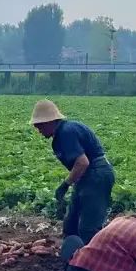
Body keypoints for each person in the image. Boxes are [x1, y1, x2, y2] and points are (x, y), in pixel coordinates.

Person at [30, 99, 115, 244]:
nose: (39, 130)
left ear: (50, 122)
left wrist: (66, 184)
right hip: (87, 177)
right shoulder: (64, 132)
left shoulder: (66, 132)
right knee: (71, 224)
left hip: (96, 176)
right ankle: (73, 256)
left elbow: (82, 162)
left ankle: (91, 260)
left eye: (40, 126)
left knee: (88, 228)